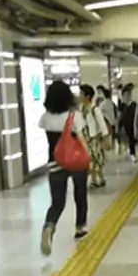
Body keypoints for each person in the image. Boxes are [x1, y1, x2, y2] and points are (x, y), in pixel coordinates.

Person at [39, 81, 88, 256]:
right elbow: (81, 138)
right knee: (80, 195)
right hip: (75, 161)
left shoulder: (46, 117)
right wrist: (87, 155)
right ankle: (80, 227)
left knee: (57, 202)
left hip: (55, 162)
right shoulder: (74, 116)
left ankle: (49, 226)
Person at [79, 84, 110, 188]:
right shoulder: (82, 109)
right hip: (86, 139)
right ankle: (99, 179)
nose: (80, 96)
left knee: (95, 159)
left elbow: (102, 124)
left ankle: (95, 180)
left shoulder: (94, 109)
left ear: (88, 96)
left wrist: (106, 139)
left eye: (81, 94)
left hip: (95, 139)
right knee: (91, 160)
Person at [119, 84, 138, 162]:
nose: (127, 96)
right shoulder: (122, 105)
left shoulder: (134, 105)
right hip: (124, 126)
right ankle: (131, 153)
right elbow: (119, 116)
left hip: (133, 125)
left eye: (129, 94)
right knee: (128, 140)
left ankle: (132, 153)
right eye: (125, 95)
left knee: (132, 140)